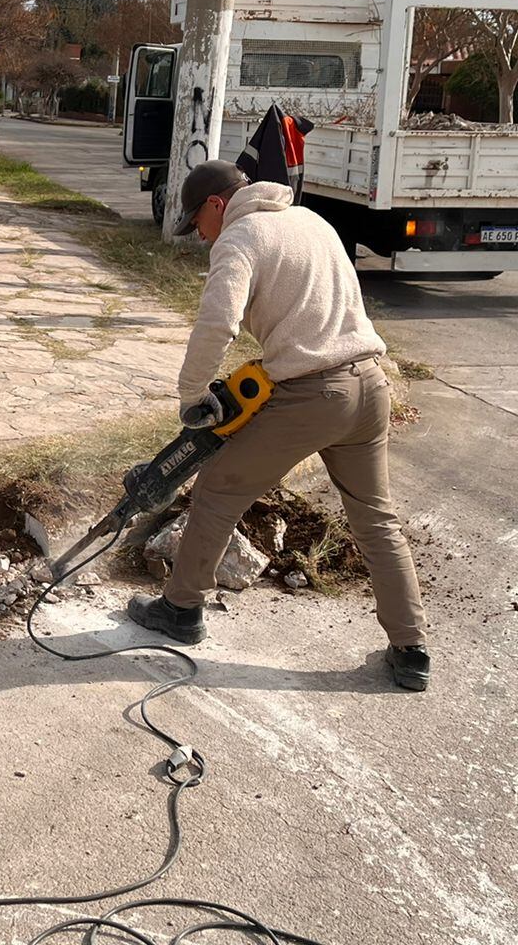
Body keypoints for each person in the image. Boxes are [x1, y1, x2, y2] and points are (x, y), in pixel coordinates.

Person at [128, 160, 432, 692]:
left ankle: (180, 610)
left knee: (220, 488)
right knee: (376, 519)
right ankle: (411, 651)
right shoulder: (312, 221)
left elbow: (218, 323)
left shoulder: (240, 237)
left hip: (314, 396)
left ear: (216, 206)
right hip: (370, 385)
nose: (198, 235)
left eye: (196, 222)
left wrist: (192, 396)